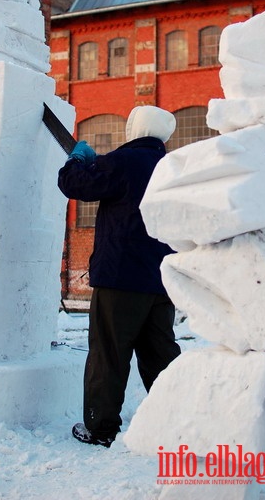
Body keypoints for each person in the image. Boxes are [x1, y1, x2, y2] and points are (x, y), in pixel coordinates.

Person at [58, 105, 181, 448]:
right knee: (160, 353)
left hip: (120, 278)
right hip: (161, 280)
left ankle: (100, 429)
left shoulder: (125, 160)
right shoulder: (172, 168)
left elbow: (75, 184)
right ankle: (181, 420)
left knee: (109, 354)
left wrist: (77, 161)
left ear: (135, 128)